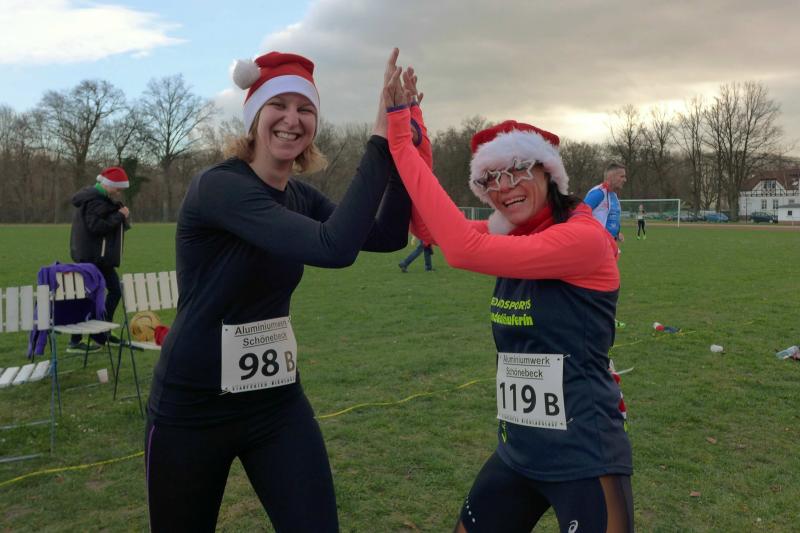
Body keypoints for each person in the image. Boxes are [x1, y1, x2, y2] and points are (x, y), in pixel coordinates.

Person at [144, 50, 417, 532]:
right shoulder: (218, 188)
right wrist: (377, 139)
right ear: (254, 116)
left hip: (275, 402)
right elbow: (334, 247)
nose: (293, 119)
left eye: (305, 109)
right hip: (193, 407)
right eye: (279, 105)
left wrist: (399, 152)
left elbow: (386, 236)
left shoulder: (299, 195)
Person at [383, 58, 633, 532]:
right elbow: (430, 230)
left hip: (584, 454)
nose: (504, 188)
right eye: (490, 179)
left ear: (549, 173)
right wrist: (417, 135)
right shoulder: (513, 234)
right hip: (519, 449)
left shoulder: (583, 238)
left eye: (516, 170)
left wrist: (398, 139)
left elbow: (461, 249)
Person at [68, 166, 131, 353]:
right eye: (118, 187)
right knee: (89, 297)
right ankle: (75, 341)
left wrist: (118, 214)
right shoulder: (93, 200)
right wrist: (120, 215)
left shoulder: (99, 199)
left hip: (99, 257)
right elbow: (96, 227)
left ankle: (102, 332)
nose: (119, 192)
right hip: (92, 257)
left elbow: (103, 222)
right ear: (107, 184)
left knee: (113, 291)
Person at [584, 162, 627, 242]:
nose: (625, 180)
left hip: (610, 243)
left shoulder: (613, 195)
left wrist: (616, 233)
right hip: (596, 243)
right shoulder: (598, 193)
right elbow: (579, 214)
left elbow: (611, 218)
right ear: (611, 177)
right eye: (622, 176)